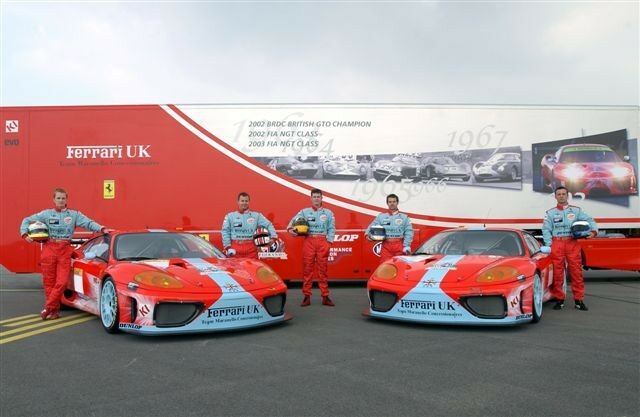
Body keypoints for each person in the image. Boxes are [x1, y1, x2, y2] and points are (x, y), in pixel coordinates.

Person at [20, 188, 108, 320]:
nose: (61, 200)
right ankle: (54, 311)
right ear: (54, 200)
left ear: (67, 199)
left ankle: (48, 307)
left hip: (65, 250)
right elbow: (26, 220)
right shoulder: (46, 214)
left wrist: (102, 228)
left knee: (61, 282)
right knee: (48, 282)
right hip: (49, 248)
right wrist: (24, 234)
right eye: (58, 198)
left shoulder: (74, 215)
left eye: (63, 198)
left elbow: (89, 223)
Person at [542, 186, 598, 311]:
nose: (561, 196)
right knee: (557, 273)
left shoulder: (576, 211)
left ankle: (578, 300)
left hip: (572, 243)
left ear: (567, 195)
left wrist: (593, 232)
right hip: (557, 243)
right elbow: (546, 230)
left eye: (563, 194)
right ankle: (559, 299)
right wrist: (549, 244)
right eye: (559, 194)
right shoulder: (550, 213)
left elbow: (590, 220)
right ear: (555, 196)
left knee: (576, 272)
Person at [287, 189, 336, 307]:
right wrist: (292, 231)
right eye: (314, 197)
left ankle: (325, 296)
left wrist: (329, 242)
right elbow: (290, 225)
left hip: (323, 241)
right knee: (307, 270)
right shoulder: (304, 212)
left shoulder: (328, 213)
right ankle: (306, 296)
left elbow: (332, 228)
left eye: (318, 197)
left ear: (322, 198)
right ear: (311, 198)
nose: (316, 199)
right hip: (309, 241)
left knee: (322, 270)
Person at [221, 192, 277, 259]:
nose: (244, 203)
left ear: (249, 202)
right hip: (235, 250)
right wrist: (228, 247)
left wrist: (273, 237)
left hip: (251, 250)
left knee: (252, 269)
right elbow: (225, 231)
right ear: (238, 201)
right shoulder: (230, 216)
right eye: (242, 201)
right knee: (236, 269)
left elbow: (269, 224)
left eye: (246, 201)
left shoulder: (256, 216)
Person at [365, 194, 413, 262]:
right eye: (390, 202)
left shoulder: (404, 217)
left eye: (394, 201)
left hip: (399, 245)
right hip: (386, 245)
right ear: (387, 203)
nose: (392, 203)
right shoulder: (381, 217)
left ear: (397, 202)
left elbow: (409, 232)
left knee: (401, 266)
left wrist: (406, 246)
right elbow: (372, 226)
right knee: (385, 267)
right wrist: (367, 234)